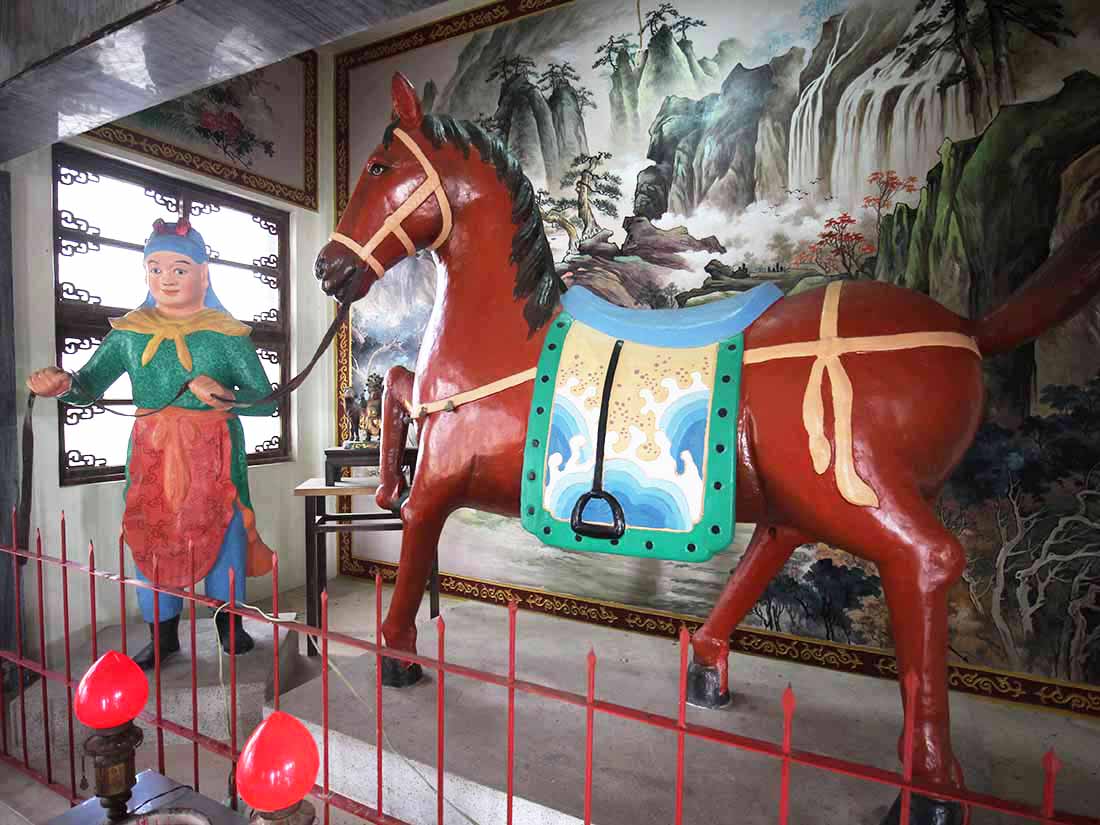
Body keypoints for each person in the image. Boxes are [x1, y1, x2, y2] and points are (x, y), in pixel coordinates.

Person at [27, 218, 276, 669]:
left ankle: (229, 623)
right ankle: (163, 635)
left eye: (180, 269)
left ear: (204, 274)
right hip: (152, 452)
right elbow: (88, 385)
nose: (167, 278)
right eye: (155, 268)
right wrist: (63, 385)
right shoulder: (129, 333)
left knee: (225, 531)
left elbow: (267, 402)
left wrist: (224, 395)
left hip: (216, 452)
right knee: (152, 536)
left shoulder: (227, 335)